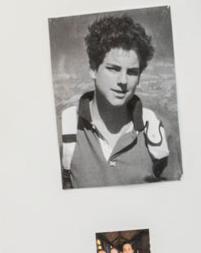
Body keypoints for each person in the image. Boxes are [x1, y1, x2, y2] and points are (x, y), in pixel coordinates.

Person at [59, 14, 178, 188]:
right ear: (93, 69)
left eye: (131, 72)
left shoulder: (159, 132)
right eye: (113, 69)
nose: (123, 81)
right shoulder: (63, 131)